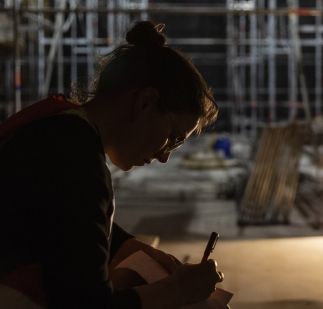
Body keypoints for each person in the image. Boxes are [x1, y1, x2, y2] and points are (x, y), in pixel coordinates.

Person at [0, 21, 222, 308]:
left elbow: (62, 218)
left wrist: (124, 243)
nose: (165, 156)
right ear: (145, 102)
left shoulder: (59, 127)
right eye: (173, 138)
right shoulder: (76, 158)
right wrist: (176, 290)